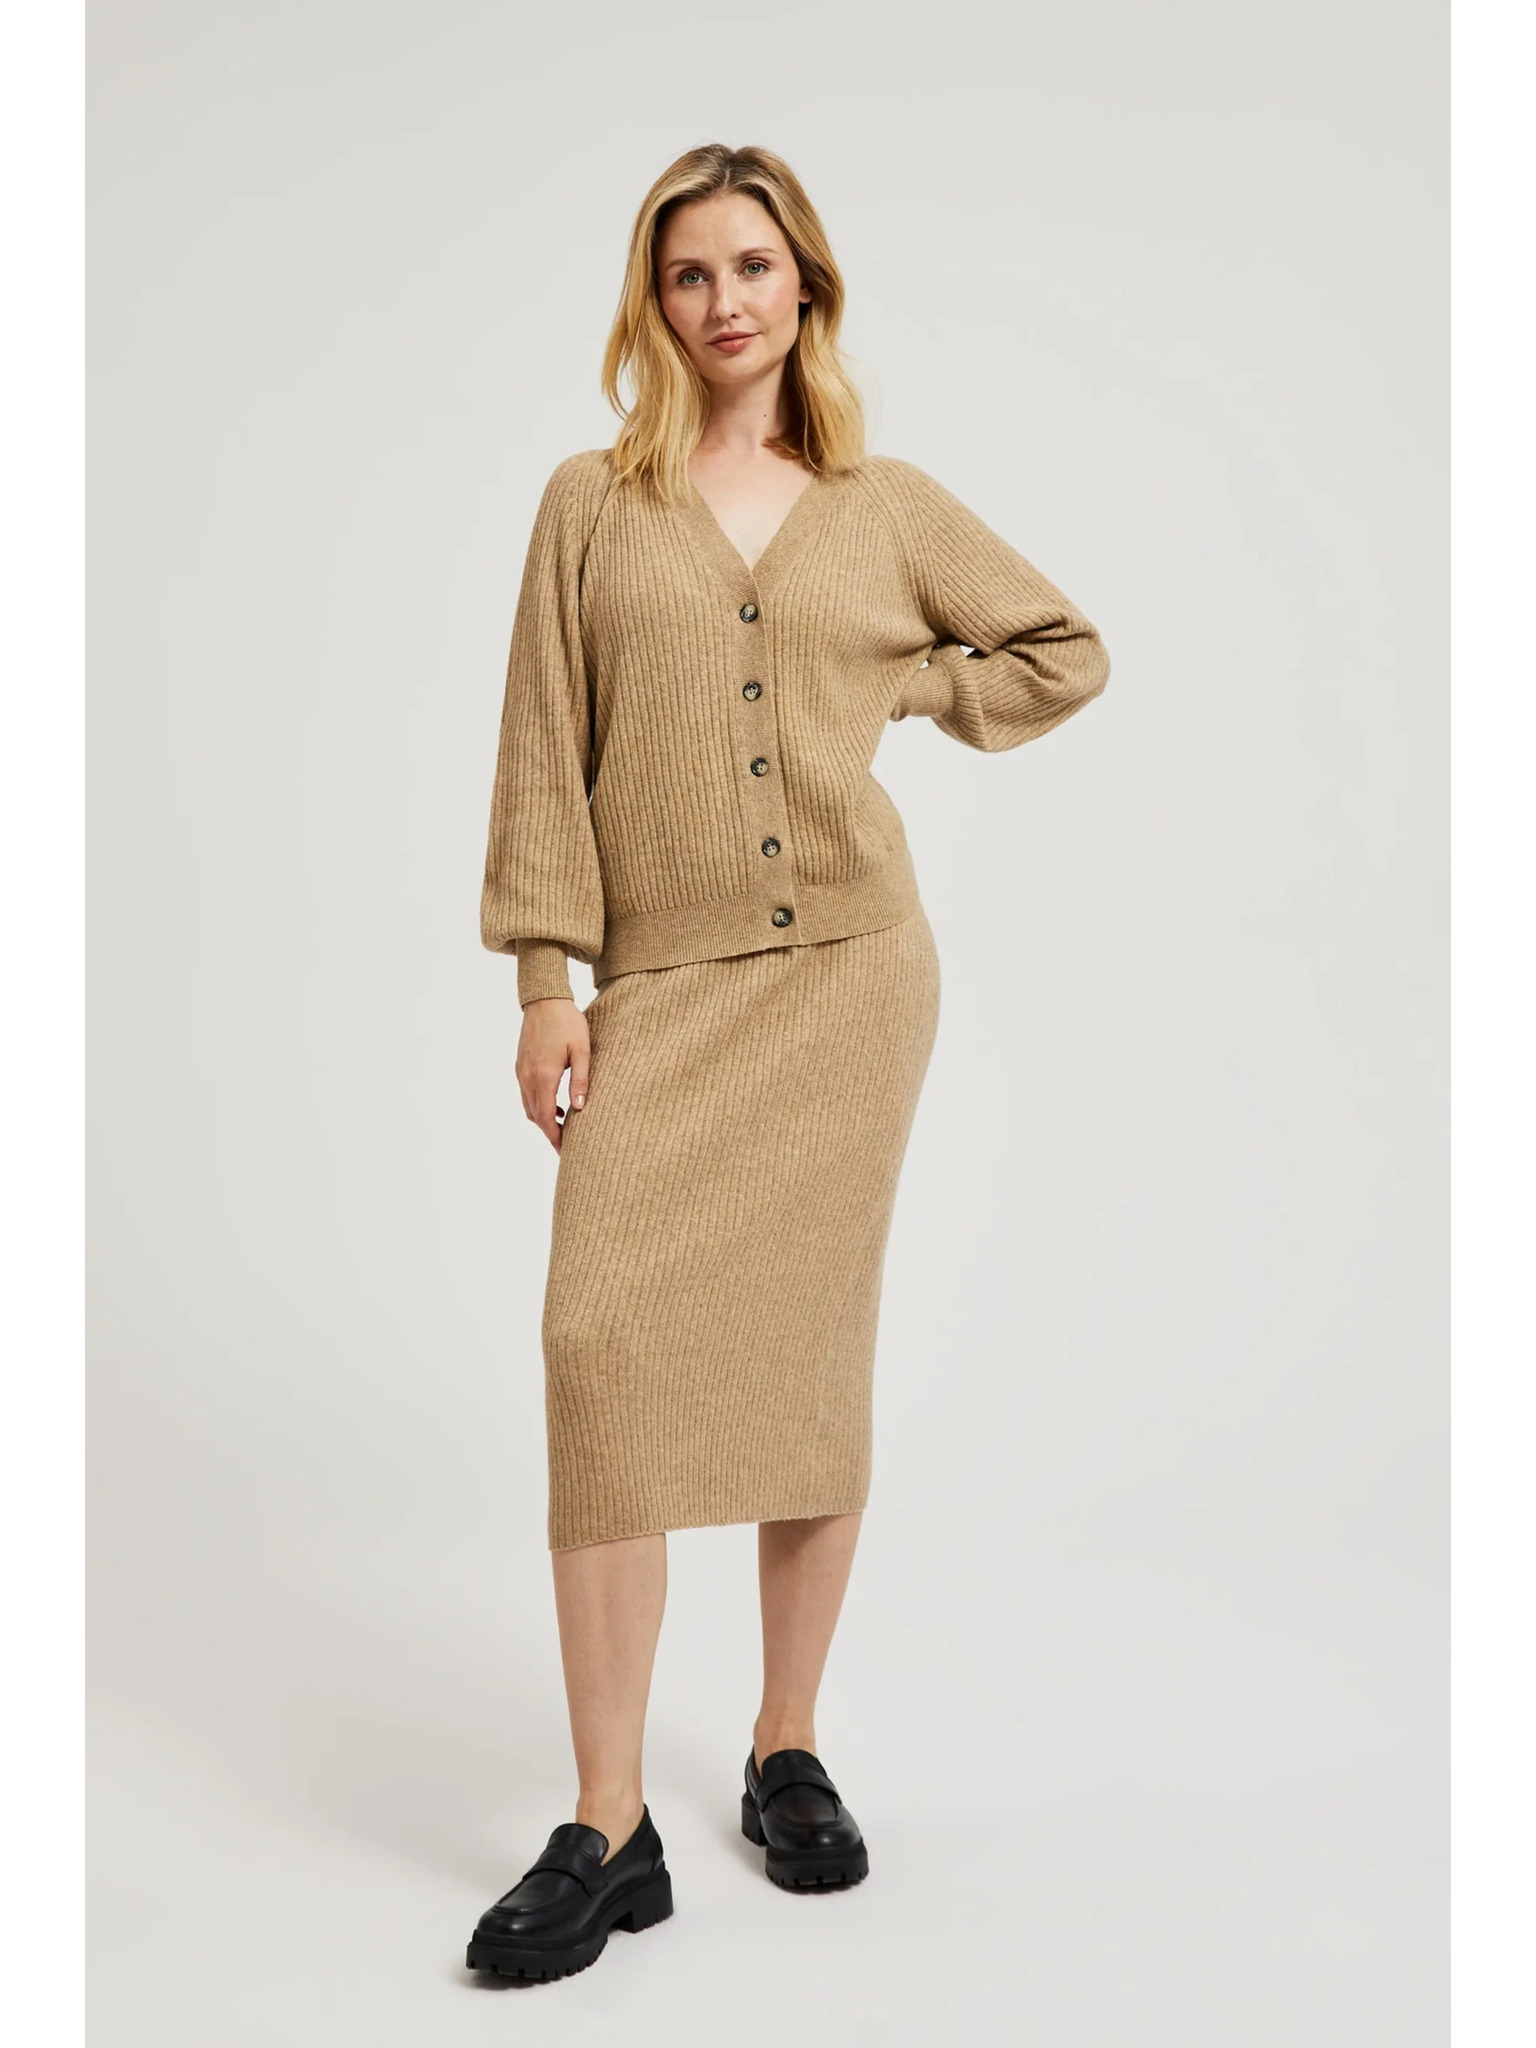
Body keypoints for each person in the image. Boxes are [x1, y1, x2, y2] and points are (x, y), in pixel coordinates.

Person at [465, 142, 1110, 1983]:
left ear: (805, 286)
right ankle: (607, 1823)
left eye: (754, 265)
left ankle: (785, 1744)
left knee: (809, 1361)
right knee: (601, 1351)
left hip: (851, 987)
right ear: (654, 303)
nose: (725, 300)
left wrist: (908, 681)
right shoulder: (592, 506)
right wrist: (546, 979)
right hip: (665, 991)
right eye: (690, 273)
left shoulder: (880, 508)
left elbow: (1061, 651)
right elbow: (543, 745)